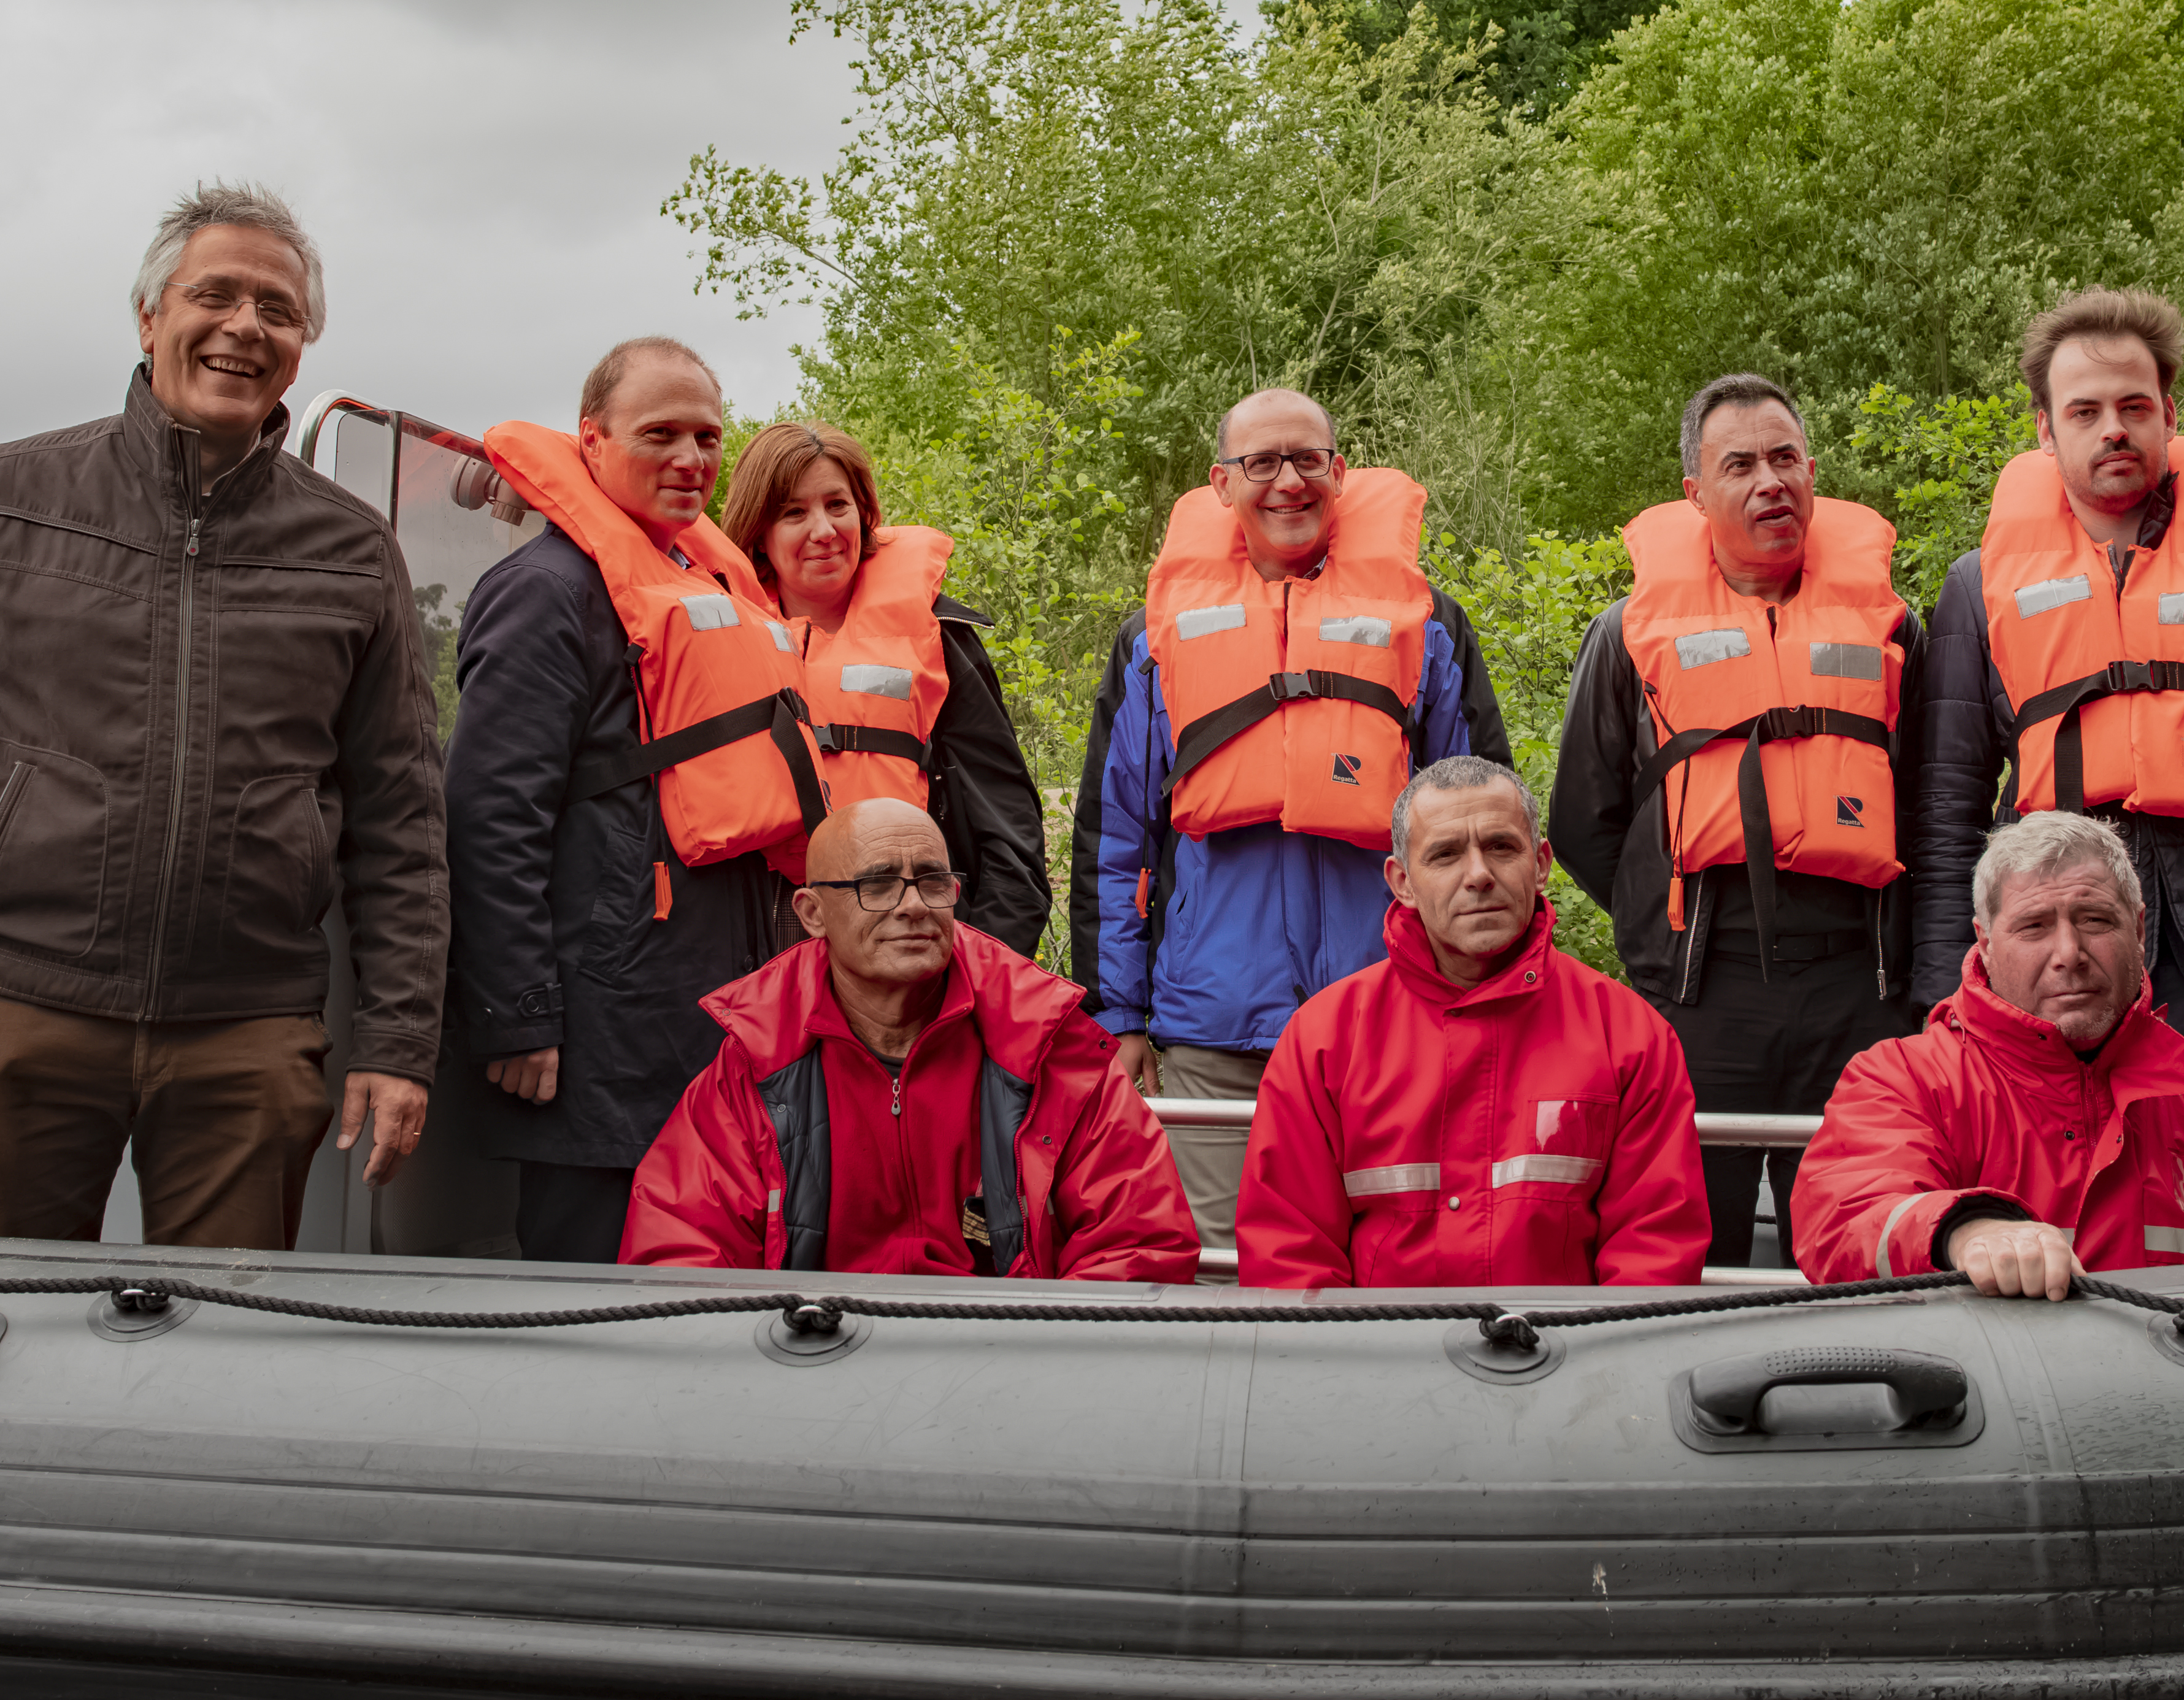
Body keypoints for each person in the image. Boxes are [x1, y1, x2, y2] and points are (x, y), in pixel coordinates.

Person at [0, 183, 441, 1247]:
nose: (247, 326)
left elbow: (401, 818)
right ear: (151, 318)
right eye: (217, 294)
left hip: (248, 1037)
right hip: (20, 1008)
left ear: (301, 348)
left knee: (219, 1355)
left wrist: (395, 1041)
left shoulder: (352, 551)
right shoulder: (5, 498)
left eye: (278, 310)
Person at [1075, 388, 1509, 1246]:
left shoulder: (1426, 625)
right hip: (1212, 1032)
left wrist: (1483, 996)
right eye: (1263, 462)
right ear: (1222, 485)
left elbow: (1482, 832)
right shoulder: (1151, 641)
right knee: (1223, 1273)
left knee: (1393, 1261)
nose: (1288, 482)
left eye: (1309, 460)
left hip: (1392, 1024)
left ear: (1340, 473)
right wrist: (1116, 1018)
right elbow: (1116, 841)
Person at [1907, 289, 2184, 1100]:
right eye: (2086, 410)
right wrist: (1946, 995)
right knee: (2055, 1214)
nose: (2114, 428)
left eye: (2134, 406)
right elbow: (1946, 810)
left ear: (2169, 414)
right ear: (2045, 427)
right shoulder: (1978, 587)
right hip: (2043, 972)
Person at [447, 337, 815, 1261]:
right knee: (594, 1301)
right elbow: (492, 818)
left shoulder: (697, 581)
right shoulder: (545, 592)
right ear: (592, 441)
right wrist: (520, 1017)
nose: (691, 462)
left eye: (706, 437)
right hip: (598, 1036)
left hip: (697, 1013)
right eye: (661, 436)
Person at [1549, 371, 1919, 1267]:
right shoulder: (1627, 634)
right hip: (1698, 993)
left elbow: (1934, 806)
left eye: (1786, 458)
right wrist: (1660, 924)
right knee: (1686, 1245)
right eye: (1741, 464)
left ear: (1814, 473)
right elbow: (1581, 819)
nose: (1770, 483)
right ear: (1696, 492)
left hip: (1858, 994)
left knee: (1847, 1244)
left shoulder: (1895, 627)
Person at [621, 799, 1194, 1279]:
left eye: (932, 881)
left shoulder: (1048, 1045)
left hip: (1009, 1364)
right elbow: (681, 1251)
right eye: (877, 884)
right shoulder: (756, 1058)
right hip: (809, 1362)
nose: (914, 906)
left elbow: (1138, 1245)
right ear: (812, 913)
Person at [1788, 810, 2184, 1291]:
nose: (2069, 952)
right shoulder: (1904, 1079)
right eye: (2034, 926)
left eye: (2094, 920)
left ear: (2138, 930)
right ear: (1984, 945)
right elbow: (1842, 1223)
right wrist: (1965, 1230)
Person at [1238, 758, 1708, 1291]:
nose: (1480, 875)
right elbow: (1290, 1254)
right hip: (1375, 1363)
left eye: (1502, 847)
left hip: (1565, 1363)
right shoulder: (1323, 1040)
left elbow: (1654, 1248)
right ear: (1403, 882)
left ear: (1540, 863)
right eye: (1445, 855)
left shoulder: (1629, 1037)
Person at [719, 420, 1052, 956]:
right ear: (758, 531)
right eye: (794, 513)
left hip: (914, 922)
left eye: (837, 505)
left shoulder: (938, 637)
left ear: (865, 513)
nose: (823, 530)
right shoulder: (718, 644)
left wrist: (991, 963)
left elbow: (1008, 825)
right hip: (765, 931)